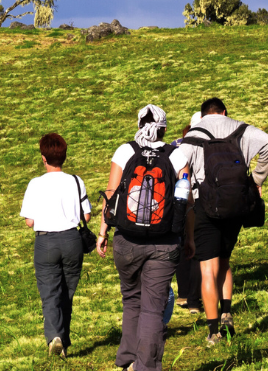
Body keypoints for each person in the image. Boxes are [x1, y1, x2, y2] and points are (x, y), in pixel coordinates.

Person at [96, 104, 195, 371]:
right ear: (164, 128)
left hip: (126, 240)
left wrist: (103, 231)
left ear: (139, 124)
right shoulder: (177, 156)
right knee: (153, 308)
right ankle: (145, 367)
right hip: (165, 242)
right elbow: (187, 200)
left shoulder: (125, 151)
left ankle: (126, 358)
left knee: (131, 299)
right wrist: (190, 239)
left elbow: (111, 192)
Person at [180, 98, 268, 346]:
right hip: (235, 205)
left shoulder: (193, 135)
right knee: (224, 261)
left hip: (204, 205)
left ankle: (213, 332)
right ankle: (226, 314)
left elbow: (177, 166)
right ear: (224, 112)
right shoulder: (240, 129)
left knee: (207, 269)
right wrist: (256, 180)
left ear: (202, 116)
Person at [20, 133, 92, 357]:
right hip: (72, 241)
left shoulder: (35, 184)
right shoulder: (75, 181)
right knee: (67, 293)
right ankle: (65, 340)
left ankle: (55, 337)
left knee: (50, 293)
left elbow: (29, 221)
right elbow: (87, 216)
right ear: (64, 156)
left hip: (46, 242)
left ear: (43, 158)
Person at [172, 123, 202, 315]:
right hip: (196, 202)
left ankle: (183, 293)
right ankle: (193, 300)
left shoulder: (173, 147)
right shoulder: (200, 148)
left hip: (177, 202)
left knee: (182, 248)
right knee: (196, 251)